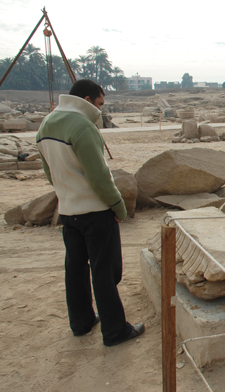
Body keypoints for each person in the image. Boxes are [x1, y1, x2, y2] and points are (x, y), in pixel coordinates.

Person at [36, 79, 144, 346]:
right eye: (99, 104)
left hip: (68, 211)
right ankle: (115, 330)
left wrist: (67, 192)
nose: (100, 109)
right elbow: (99, 177)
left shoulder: (46, 125)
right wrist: (119, 206)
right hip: (95, 212)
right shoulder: (83, 126)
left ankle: (82, 322)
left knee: (75, 269)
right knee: (105, 272)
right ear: (86, 100)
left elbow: (50, 173)